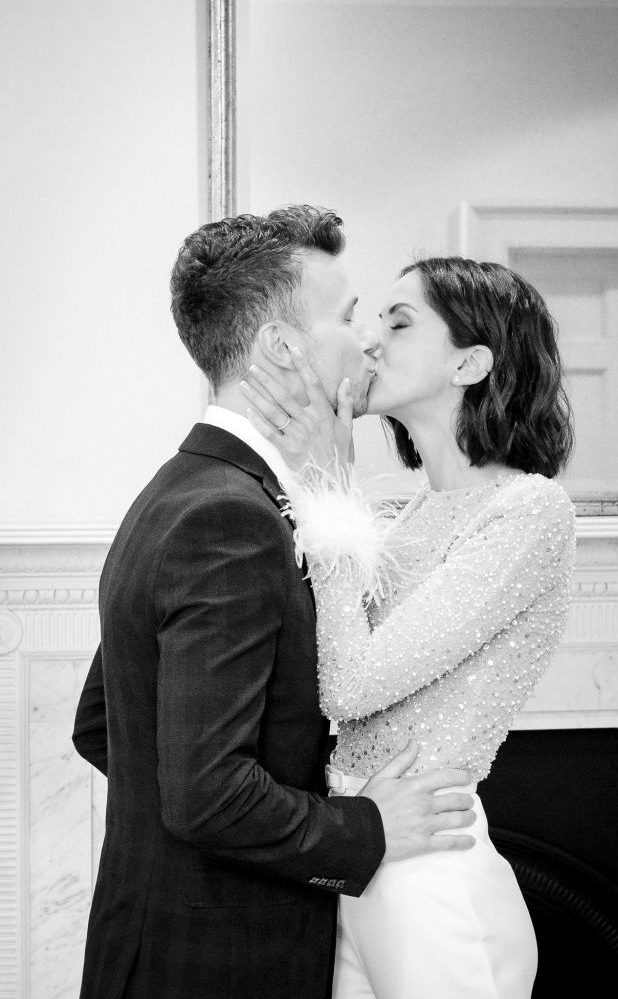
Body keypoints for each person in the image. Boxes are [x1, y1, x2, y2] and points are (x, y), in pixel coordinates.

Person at [71, 208, 480, 999]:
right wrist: (367, 830)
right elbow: (206, 793)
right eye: (348, 316)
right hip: (218, 964)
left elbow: (103, 724)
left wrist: (178, 846)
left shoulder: (183, 490)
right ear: (281, 346)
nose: (365, 341)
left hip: (164, 945)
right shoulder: (230, 519)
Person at [241, 254, 577, 999]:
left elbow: (350, 685)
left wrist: (331, 490)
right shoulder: (397, 512)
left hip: (431, 873)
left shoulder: (526, 512)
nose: (370, 343)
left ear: (469, 362)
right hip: (358, 856)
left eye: (398, 322)